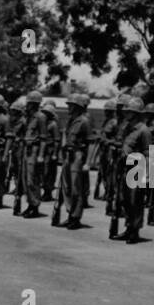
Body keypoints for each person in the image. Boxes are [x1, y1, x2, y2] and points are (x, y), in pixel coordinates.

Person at [119, 97, 152, 244]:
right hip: (126, 167)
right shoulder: (127, 127)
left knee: (135, 200)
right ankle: (128, 227)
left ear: (137, 113)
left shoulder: (144, 130)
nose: (126, 114)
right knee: (125, 200)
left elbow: (148, 153)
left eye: (130, 112)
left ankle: (135, 230)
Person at [57, 93, 92, 230]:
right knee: (67, 187)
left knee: (76, 188)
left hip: (78, 155)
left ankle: (76, 217)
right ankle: (70, 213)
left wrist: (87, 162)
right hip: (68, 155)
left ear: (77, 107)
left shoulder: (84, 121)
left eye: (71, 105)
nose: (68, 108)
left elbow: (90, 143)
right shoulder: (71, 120)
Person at [21, 91, 52, 218]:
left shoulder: (41, 117)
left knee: (32, 180)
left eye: (28, 103)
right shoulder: (29, 117)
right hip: (26, 150)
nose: (26, 105)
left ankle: (35, 206)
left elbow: (44, 138)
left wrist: (40, 155)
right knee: (25, 180)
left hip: (34, 150)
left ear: (33, 104)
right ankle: (30, 204)